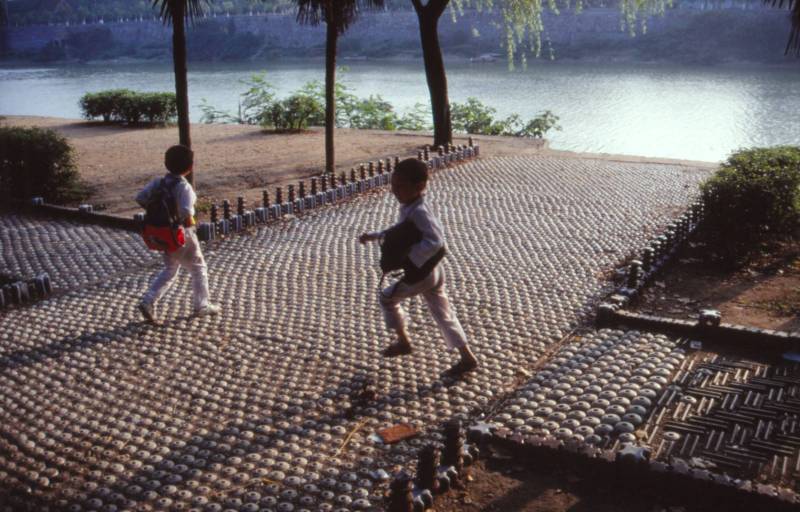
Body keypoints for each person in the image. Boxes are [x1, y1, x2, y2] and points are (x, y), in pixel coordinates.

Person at [359, 158, 478, 376]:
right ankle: (467, 357)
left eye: (401, 187)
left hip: (424, 272)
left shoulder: (419, 212)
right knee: (444, 314)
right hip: (433, 271)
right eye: (393, 186)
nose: (395, 191)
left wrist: (408, 259)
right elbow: (401, 231)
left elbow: (435, 242)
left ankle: (404, 341)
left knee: (387, 298)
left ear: (419, 187)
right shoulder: (411, 207)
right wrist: (375, 236)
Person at [136, 145, 220, 322]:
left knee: (170, 269)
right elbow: (186, 213)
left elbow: (141, 198)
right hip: (180, 234)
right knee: (199, 268)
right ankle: (202, 305)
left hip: (161, 234)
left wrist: (158, 214)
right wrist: (193, 229)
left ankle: (149, 300)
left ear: (166, 163)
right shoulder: (184, 187)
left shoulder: (157, 182)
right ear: (190, 167)